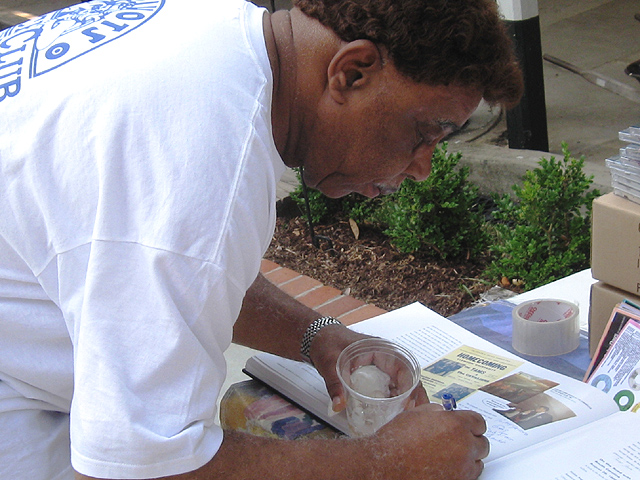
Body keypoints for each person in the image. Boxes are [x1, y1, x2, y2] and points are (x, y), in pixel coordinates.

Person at [0, 0, 523, 478]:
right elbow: (138, 467)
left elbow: (173, 271)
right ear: (352, 71)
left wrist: (318, 334)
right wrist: (384, 464)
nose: (423, 168)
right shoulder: (199, 165)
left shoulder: (215, 36)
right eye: (425, 132)